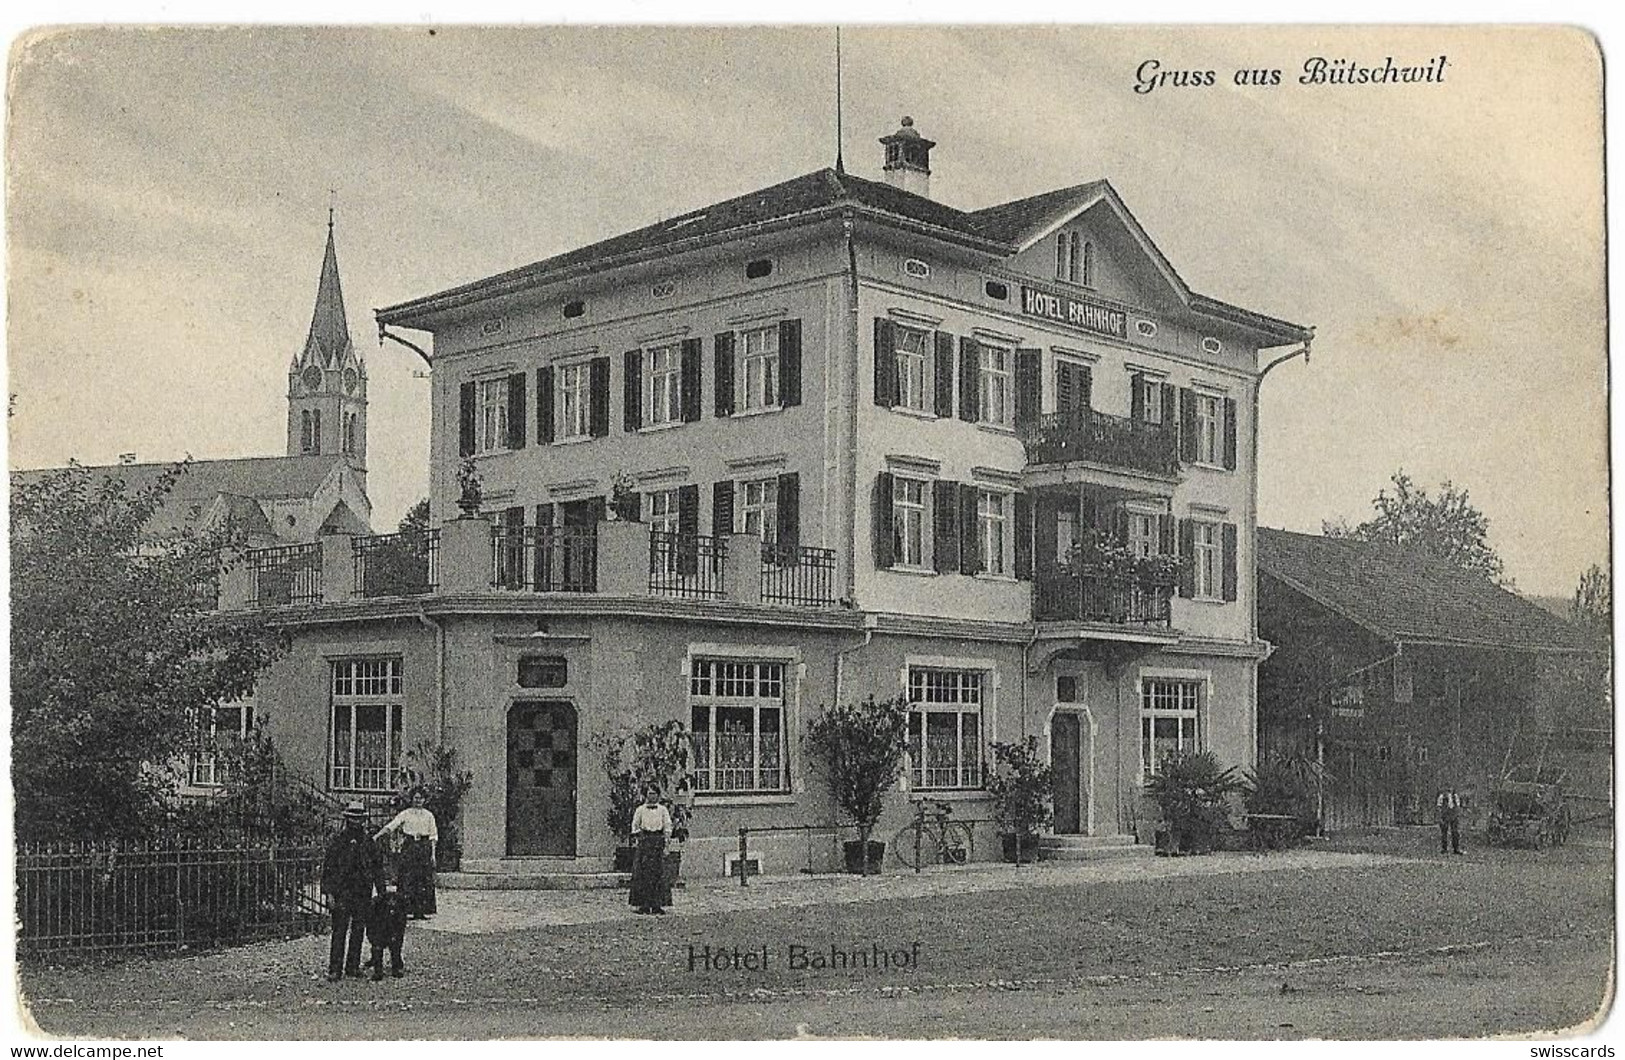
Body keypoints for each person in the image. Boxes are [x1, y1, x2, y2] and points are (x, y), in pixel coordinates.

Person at [321, 800, 382, 981]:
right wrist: (329, 893)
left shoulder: (369, 842)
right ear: (347, 819)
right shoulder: (338, 841)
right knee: (339, 930)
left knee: (358, 930)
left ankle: (352, 966)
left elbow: (377, 868)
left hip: (362, 892)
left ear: (363, 820)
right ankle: (335, 968)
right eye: (352, 819)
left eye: (359, 819)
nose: (356, 822)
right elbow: (328, 868)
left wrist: (381, 892)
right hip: (342, 892)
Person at [375, 787, 438, 918]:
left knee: (423, 879)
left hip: (424, 847)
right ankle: (406, 909)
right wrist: (376, 836)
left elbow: (433, 836)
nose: (418, 801)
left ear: (424, 800)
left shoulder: (429, 815)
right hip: (410, 847)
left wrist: (432, 855)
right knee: (408, 878)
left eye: (420, 798)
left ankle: (420, 911)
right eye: (416, 798)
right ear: (412, 799)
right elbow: (392, 825)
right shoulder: (406, 813)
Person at [628, 785, 672, 915]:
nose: (651, 796)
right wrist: (638, 839)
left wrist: (666, 844)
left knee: (658, 874)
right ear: (645, 795)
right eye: (649, 794)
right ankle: (644, 904)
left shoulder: (663, 810)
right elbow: (635, 825)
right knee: (643, 874)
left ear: (658, 795)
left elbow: (668, 826)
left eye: (654, 794)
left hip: (658, 842)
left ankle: (657, 904)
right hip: (645, 843)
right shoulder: (640, 810)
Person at [1437, 786, 1464, 855]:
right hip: (1445, 815)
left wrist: (1457, 815)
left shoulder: (1455, 796)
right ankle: (1444, 849)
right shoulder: (1442, 797)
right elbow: (1439, 807)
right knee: (1444, 833)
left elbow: (1458, 806)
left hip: (1454, 815)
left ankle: (1456, 848)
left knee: (1455, 832)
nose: (1449, 790)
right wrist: (1440, 817)